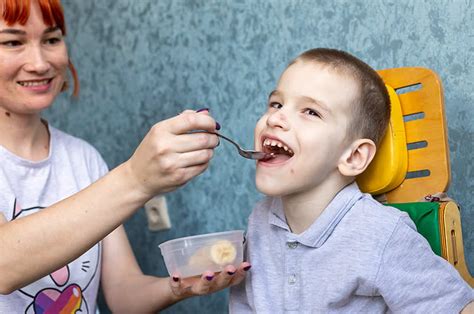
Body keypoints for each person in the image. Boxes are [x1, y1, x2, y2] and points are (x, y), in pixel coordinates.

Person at [0, 0, 250, 313]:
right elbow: (4, 264)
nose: (39, 63)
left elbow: (123, 294)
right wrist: (136, 177)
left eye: (51, 39)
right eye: (12, 42)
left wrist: (181, 285)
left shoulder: (83, 158)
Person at [229, 48, 474, 313]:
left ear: (354, 156)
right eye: (276, 104)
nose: (275, 118)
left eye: (310, 112)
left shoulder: (381, 234)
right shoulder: (259, 221)